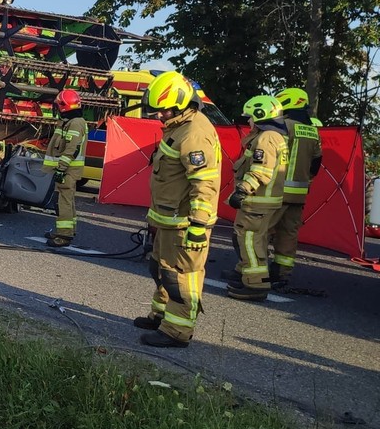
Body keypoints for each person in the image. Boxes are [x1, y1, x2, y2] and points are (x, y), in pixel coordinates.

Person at [135, 71, 221, 348]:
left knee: (179, 277)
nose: (160, 116)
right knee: (160, 269)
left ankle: (177, 331)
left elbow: (204, 183)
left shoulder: (195, 134)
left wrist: (198, 224)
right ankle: (161, 316)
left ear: (183, 103)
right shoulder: (179, 127)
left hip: (185, 223)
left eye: (165, 111)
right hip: (169, 219)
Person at [226, 95, 290, 302]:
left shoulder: (267, 137)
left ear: (261, 115)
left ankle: (255, 285)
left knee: (250, 241)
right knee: (252, 240)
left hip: (257, 200)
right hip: (265, 201)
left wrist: (242, 190)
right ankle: (242, 274)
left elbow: (261, 170)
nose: (248, 121)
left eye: (250, 117)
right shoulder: (275, 136)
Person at [269, 87, 323, 289]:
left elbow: (272, 154)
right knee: (289, 234)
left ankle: (252, 273)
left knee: (260, 231)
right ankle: (281, 274)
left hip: (277, 191)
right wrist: (306, 179)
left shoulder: (283, 126)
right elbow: (317, 162)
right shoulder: (312, 130)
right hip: (299, 194)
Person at [42, 89, 88, 247]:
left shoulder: (75, 123)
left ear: (64, 106)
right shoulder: (71, 121)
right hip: (69, 169)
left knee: (64, 202)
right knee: (68, 200)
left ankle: (64, 235)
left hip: (67, 170)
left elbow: (71, 149)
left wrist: (61, 168)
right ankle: (69, 230)